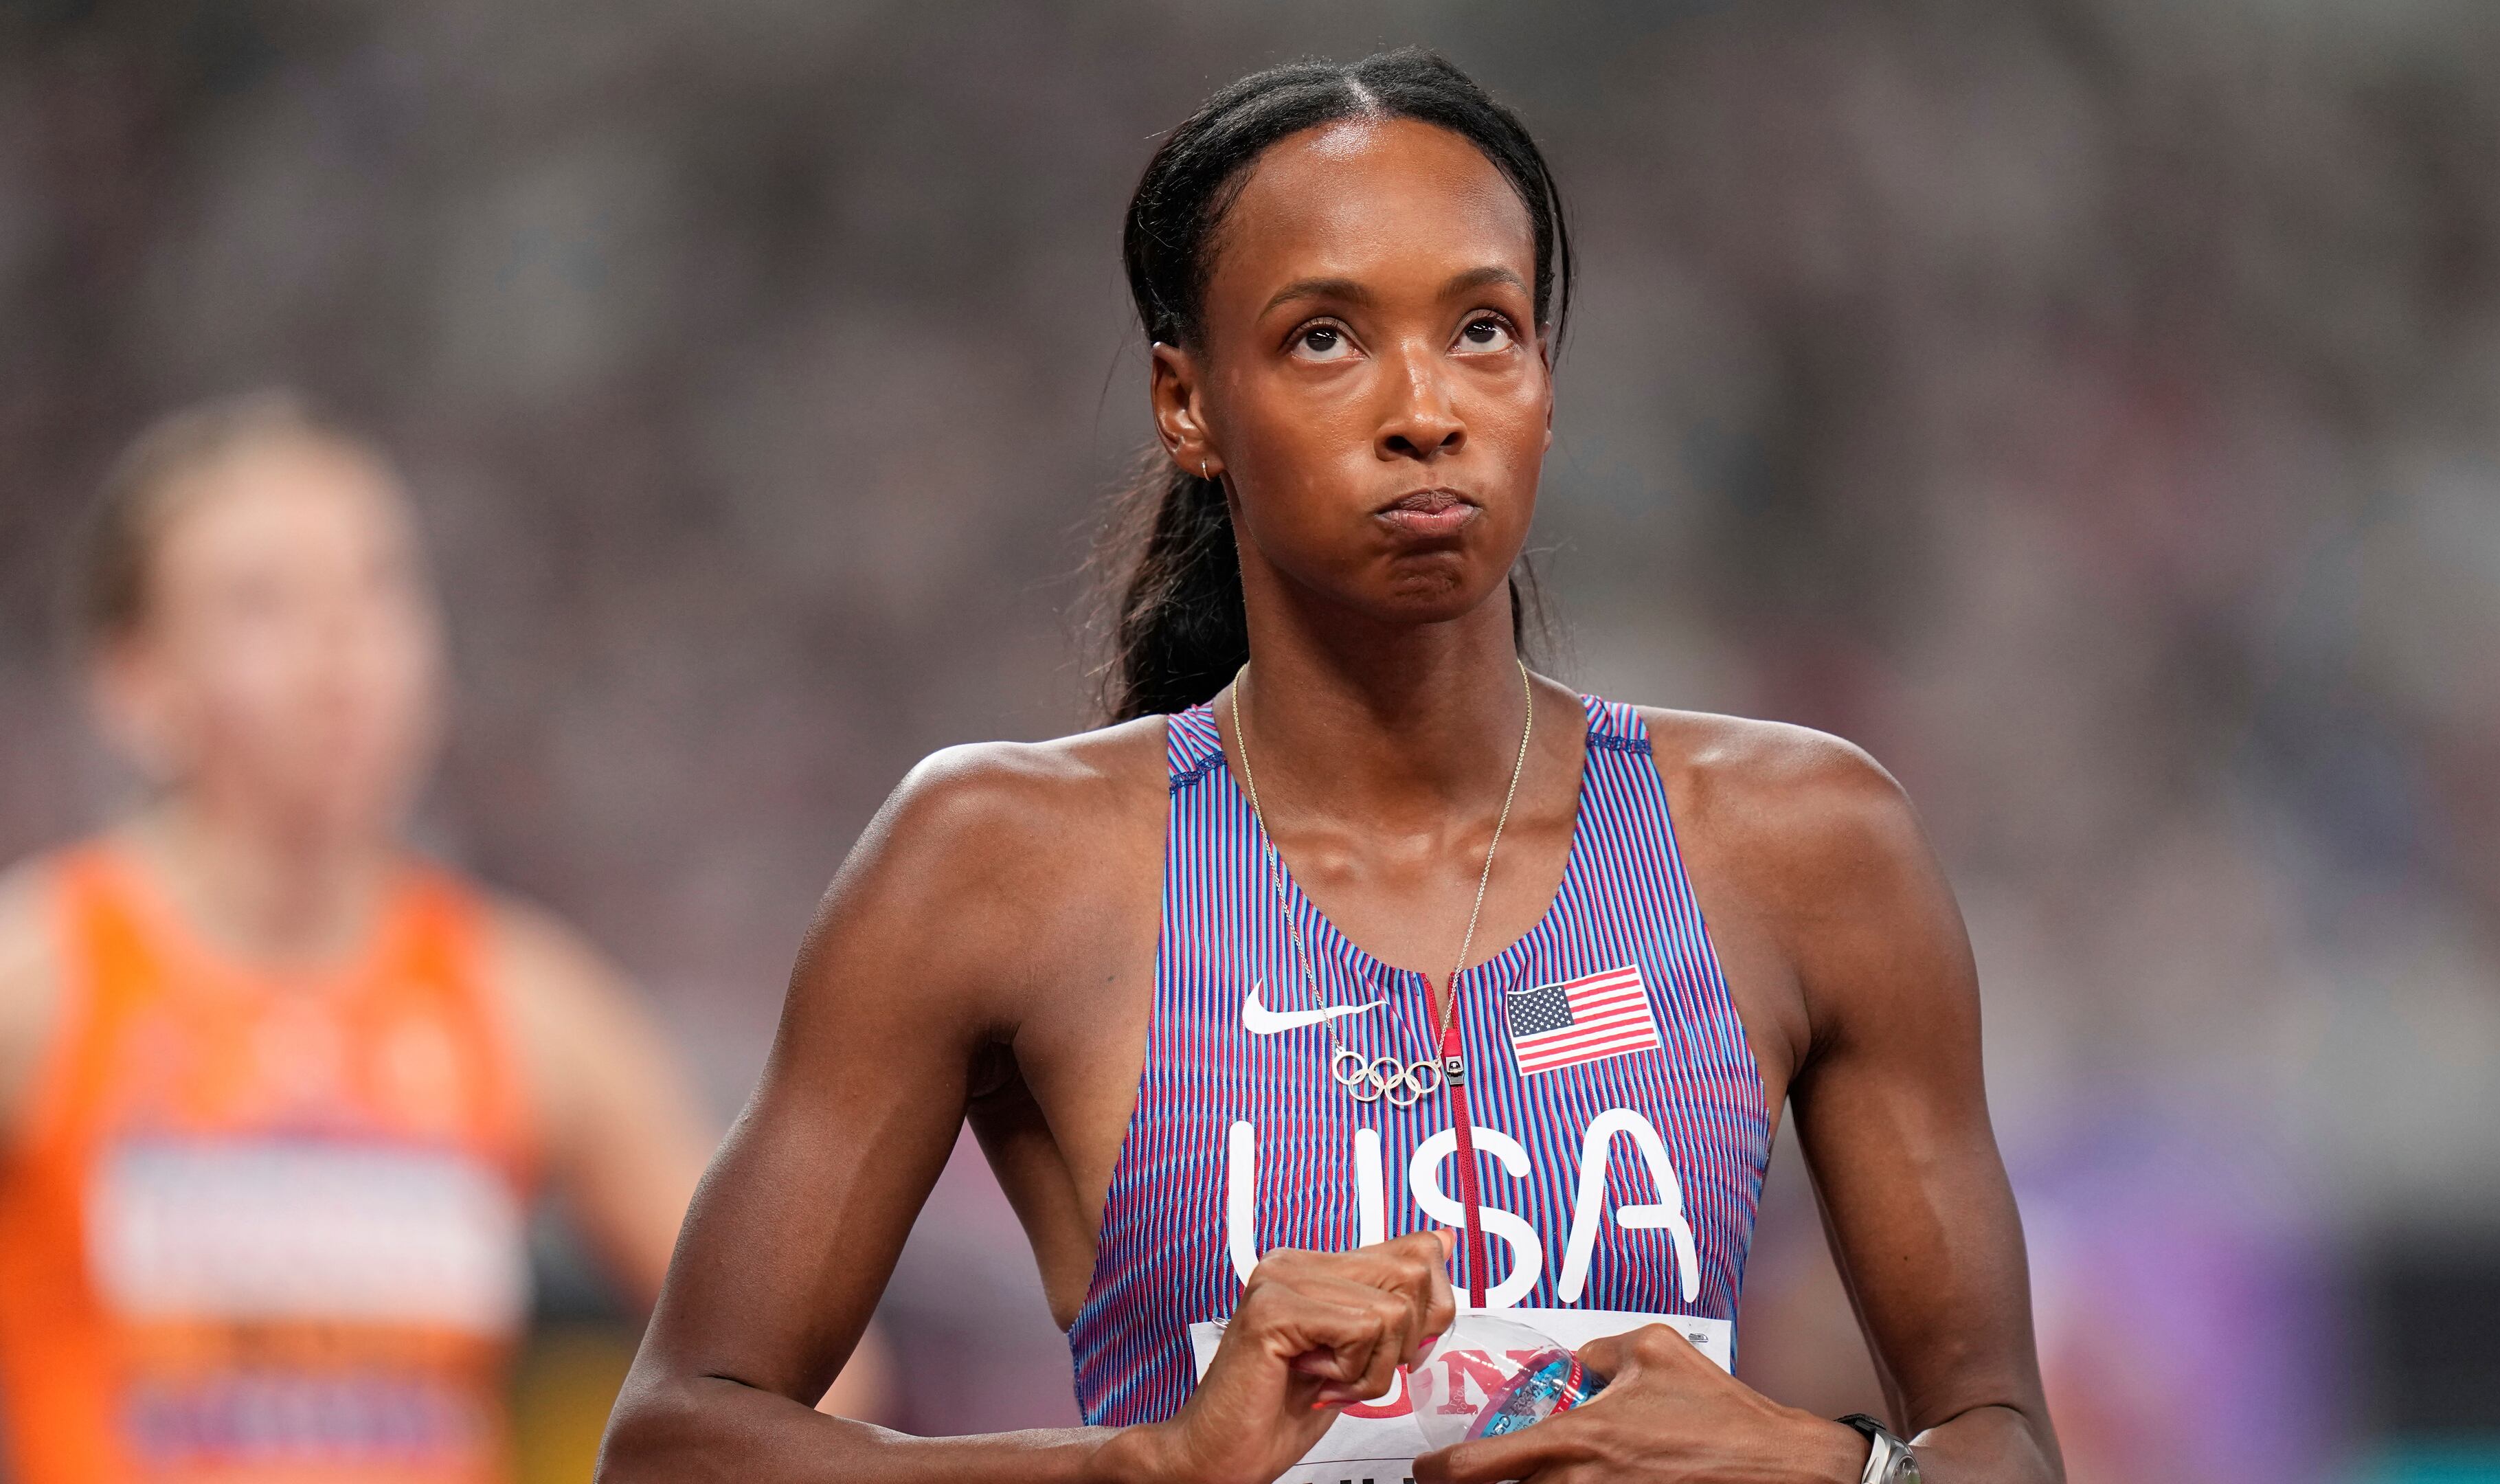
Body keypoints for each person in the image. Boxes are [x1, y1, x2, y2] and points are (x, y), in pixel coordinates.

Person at [603, 49, 2060, 1484]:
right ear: (1187, 405)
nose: (1426, 408)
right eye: (1324, 339)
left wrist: (1830, 1469)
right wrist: (1146, 1469)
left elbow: (2002, 1441)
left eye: (1483, 329)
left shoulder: (1804, 842)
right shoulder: (999, 858)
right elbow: (677, 1445)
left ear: (1546, 380)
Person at [0, 394, 883, 1484]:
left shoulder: (524, 1002)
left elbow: (820, 1373)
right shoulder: (38, 984)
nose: (339, 649)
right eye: (262, 602)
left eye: (377, 588)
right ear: (136, 684)